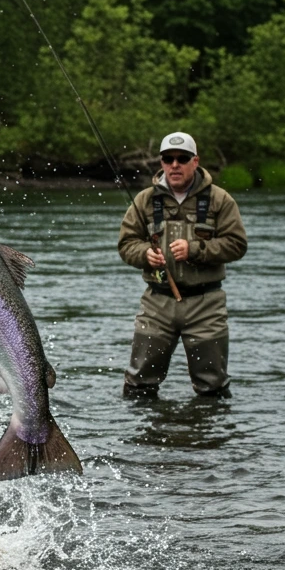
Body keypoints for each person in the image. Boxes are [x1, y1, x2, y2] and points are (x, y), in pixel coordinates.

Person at [118, 132, 247, 398]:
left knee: (213, 387)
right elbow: (126, 244)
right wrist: (145, 254)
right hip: (157, 302)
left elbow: (237, 244)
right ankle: (143, 437)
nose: (175, 164)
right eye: (168, 159)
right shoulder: (144, 200)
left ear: (195, 161)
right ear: (162, 162)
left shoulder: (220, 200)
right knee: (138, 385)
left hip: (206, 302)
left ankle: (209, 437)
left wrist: (196, 250)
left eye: (182, 158)